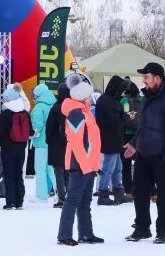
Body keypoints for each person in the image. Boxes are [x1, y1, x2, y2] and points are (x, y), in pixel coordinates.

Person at [124, 62, 165, 244]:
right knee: (139, 192)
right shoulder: (148, 97)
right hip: (144, 153)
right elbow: (144, 126)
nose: (144, 81)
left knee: (164, 195)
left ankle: (163, 231)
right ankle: (142, 228)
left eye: (146, 77)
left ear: (157, 78)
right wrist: (134, 143)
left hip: (163, 155)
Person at [57, 73, 103, 246]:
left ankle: (86, 233)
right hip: (79, 165)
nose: (91, 98)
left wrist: (93, 165)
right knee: (73, 200)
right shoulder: (76, 113)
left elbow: (91, 142)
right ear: (82, 96)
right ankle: (64, 235)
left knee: (85, 201)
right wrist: (85, 166)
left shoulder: (85, 112)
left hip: (88, 165)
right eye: (89, 95)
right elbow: (77, 143)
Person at [0, 83, 32, 210]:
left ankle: (10, 203)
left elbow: (0, 133)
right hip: (21, 149)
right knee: (18, 174)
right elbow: (30, 132)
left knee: (8, 175)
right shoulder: (25, 114)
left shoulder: (5, 114)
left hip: (7, 149)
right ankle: (19, 202)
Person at [95, 76, 125, 206]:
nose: (123, 93)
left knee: (118, 167)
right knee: (108, 168)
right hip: (110, 139)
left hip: (113, 139)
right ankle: (103, 193)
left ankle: (118, 191)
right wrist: (125, 118)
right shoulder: (108, 102)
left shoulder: (108, 100)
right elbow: (114, 122)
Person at [29, 83, 57, 203]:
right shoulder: (54, 105)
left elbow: (37, 128)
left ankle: (41, 195)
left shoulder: (39, 108)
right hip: (52, 142)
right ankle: (60, 192)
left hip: (41, 143)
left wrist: (30, 134)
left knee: (40, 169)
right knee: (51, 169)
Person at [46, 84, 69, 208]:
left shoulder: (55, 108)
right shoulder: (72, 107)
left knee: (58, 171)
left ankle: (61, 197)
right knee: (69, 170)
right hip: (70, 143)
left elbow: (49, 127)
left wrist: (49, 140)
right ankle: (71, 195)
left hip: (56, 144)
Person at [120, 80, 142, 199]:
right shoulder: (143, 100)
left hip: (126, 136)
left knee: (126, 166)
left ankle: (128, 191)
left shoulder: (123, 101)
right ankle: (151, 192)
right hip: (141, 135)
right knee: (142, 165)